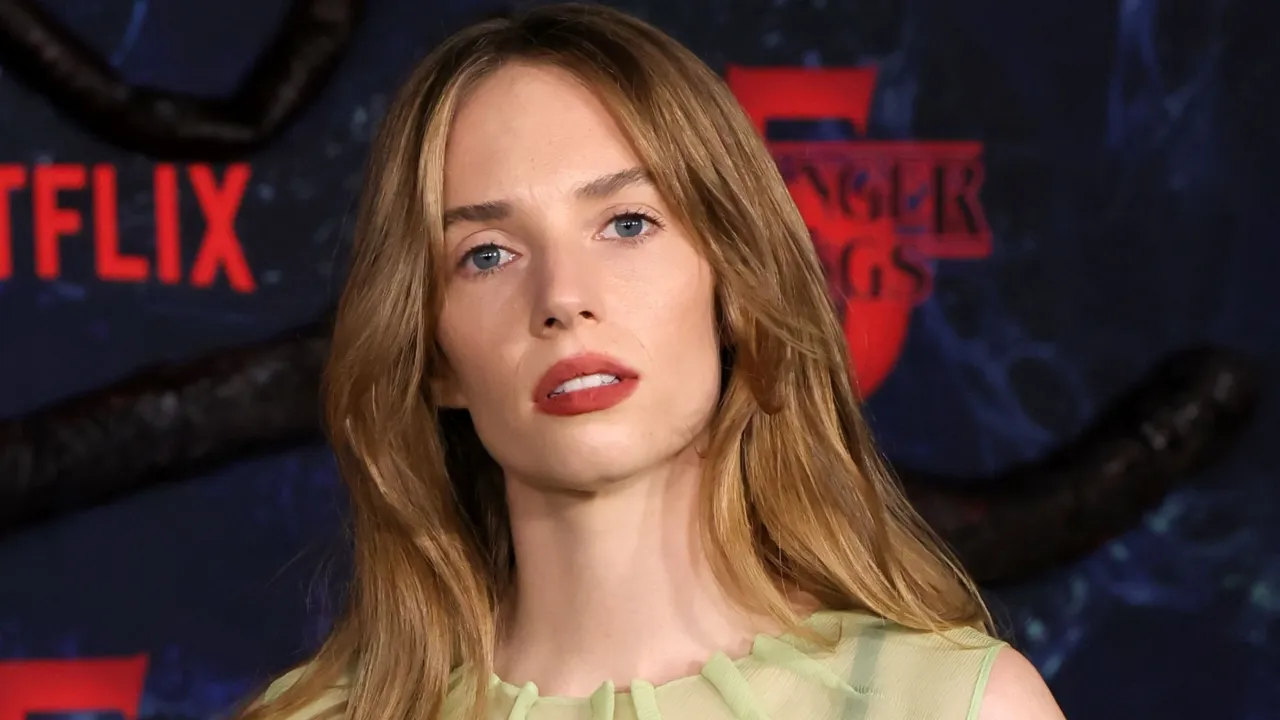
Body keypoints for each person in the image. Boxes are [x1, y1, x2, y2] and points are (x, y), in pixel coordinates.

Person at [239, 4, 1065, 719]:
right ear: (434, 358)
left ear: (734, 289)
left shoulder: (955, 704)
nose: (564, 297)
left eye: (627, 224)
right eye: (487, 254)